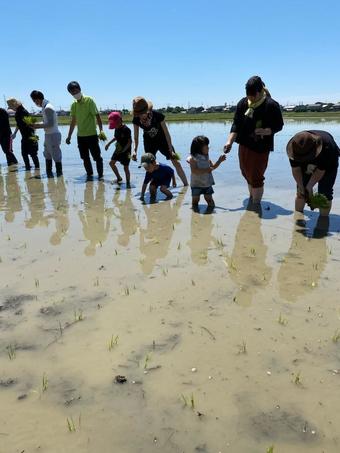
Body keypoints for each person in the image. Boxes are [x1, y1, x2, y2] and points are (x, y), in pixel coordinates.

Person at [224, 76, 283, 204]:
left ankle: (255, 206)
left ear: (260, 91)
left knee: (256, 176)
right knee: (245, 172)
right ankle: (252, 199)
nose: (250, 98)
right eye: (248, 95)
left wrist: (266, 131)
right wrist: (229, 142)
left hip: (261, 146)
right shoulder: (243, 103)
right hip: (244, 144)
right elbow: (236, 125)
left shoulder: (271, 105)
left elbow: (279, 125)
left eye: (253, 95)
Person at [132, 96, 188, 186]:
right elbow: (135, 138)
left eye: (142, 113)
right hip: (149, 142)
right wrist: (134, 151)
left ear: (147, 110)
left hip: (163, 140)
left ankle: (186, 185)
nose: (140, 115)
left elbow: (167, 133)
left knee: (176, 162)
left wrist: (170, 149)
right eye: (138, 114)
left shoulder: (157, 115)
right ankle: (153, 187)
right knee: (149, 166)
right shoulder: (136, 119)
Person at [286, 130, 339, 216]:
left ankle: (323, 220)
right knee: (301, 191)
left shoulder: (327, 147)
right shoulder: (295, 146)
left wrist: (310, 186)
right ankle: (298, 217)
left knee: (325, 193)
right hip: (304, 157)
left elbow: (321, 170)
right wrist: (301, 186)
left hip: (329, 161)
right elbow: (296, 170)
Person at [66, 81, 104, 180]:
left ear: (79, 89)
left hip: (91, 135)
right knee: (84, 158)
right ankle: (90, 176)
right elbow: (73, 122)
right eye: (72, 92)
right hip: (80, 136)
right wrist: (69, 136)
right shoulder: (73, 105)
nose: (74, 93)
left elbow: (97, 116)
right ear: (70, 94)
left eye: (75, 90)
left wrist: (101, 131)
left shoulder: (89, 100)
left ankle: (100, 176)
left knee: (97, 157)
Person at [187, 135, 226, 211]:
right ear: (199, 148)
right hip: (196, 183)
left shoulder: (206, 157)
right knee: (195, 200)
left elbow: (213, 167)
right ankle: (195, 215)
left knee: (209, 199)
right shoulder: (193, 158)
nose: (208, 148)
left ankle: (211, 213)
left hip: (207, 183)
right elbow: (194, 171)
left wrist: (219, 161)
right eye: (206, 146)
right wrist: (207, 170)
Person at [30, 90, 63, 177]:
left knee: (56, 157)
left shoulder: (48, 107)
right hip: (48, 135)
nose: (34, 103)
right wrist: (37, 125)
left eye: (34, 101)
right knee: (47, 155)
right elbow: (46, 122)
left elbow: (50, 124)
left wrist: (37, 126)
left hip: (53, 135)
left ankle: (59, 177)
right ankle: (49, 175)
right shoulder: (45, 106)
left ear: (38, 99)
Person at [7, 98, 40, 171]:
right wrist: (15, 133)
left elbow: (31, 124)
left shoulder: (23, 112)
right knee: (24, 154)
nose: (11, 108)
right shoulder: (18, 113)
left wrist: (34, 136)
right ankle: (28, 168)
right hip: (25, 137)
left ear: (15, 105)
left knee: (33, 154)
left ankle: (37, 169)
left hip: (30, 136)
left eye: (11, 107)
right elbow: (19, 124)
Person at [105, 111, 132, 187]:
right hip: (118, 149)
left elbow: (130, 142)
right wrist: (108, 144)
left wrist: (124, 151)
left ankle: (128, 184)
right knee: (111, 163)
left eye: (115, 125)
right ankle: (119, 178)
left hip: (126, 151)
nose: (115, 127)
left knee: (126, 167)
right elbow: (116, 137)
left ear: (120, 121)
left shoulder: (126, 129)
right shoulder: (116, 129)